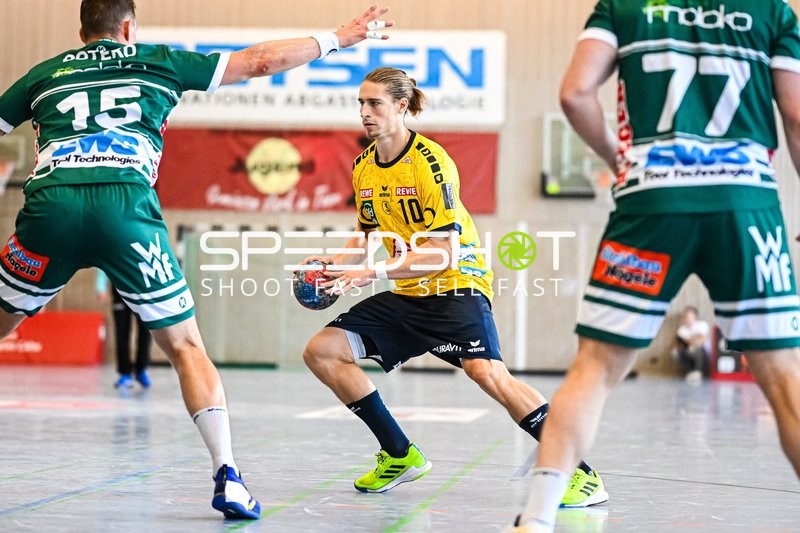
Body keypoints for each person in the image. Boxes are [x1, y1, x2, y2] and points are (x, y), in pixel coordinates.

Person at [0, 0, 393, 520]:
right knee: (186, 346)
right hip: (126, 212)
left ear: (81, 31)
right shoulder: (156, 60)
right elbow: (257, 62)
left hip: (51, 209)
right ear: (127, 27)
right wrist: (337, 38)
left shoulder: (45, 73)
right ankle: (227, 475)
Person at [509, 1, 800, 531]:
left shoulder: (623, 6)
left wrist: (618, 161)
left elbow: (575, 95)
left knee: (594, 368)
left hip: (653, 201)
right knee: (782, 377)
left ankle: (537, 518)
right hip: (745, 202)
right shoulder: (772, 12)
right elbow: (797, 117)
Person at [300, 66, 607, 507]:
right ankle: (400, 455)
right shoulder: (364, 166)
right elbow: (367, 232)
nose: (364, 112)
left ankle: (581, 473)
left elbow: (442, 252)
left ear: (401, 107)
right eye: (360, 104)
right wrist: (337, 264)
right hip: (408, 292)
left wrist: (368, 274)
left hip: (454, 286)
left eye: (374, 104)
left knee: (488, 374)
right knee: (322, 351)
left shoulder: (431, 163)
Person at [97, 269, 153, 389]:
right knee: (121, 332)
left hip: (142, 289)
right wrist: (101, 286)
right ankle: (124, 373)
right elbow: (104, 258)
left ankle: (141, 370)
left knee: (145, 330)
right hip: (120, 288)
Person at [671, 305, 711, 382]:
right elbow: (678, 343)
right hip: (688, 353)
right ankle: (690, 371)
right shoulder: (681, 330)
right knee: (675, 352)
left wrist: (691, 341)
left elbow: (702, 339)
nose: (686, 319)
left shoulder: (702, 325)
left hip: (703, 354)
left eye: (689, 316)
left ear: (695, 317)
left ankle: (698, 371)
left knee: (696, 348)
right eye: (685, 317)